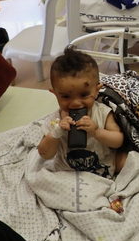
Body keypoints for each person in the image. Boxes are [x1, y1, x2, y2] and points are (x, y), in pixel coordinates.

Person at [39, 46, 126, 181]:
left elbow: (118, 141)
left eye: (84, 95)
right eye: (66, 97)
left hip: (103, 165)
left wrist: (96, 132)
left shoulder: (102, 112)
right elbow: (45, 154)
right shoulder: (54, 120)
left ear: (96, 91)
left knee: (134, 161)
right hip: (67, 171)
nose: (75, 103)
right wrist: (55, 133)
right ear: (55, 93)